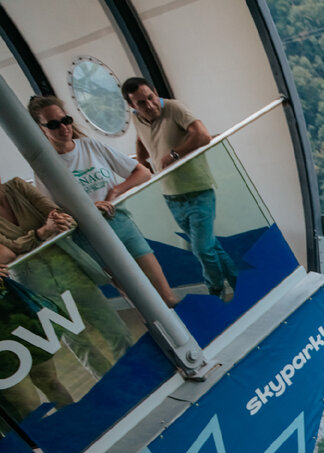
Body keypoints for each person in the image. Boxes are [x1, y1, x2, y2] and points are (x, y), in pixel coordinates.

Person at [0, 176, 134, 416]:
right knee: (80, 343)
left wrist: (50, 225)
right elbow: (7, 255)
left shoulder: (18, 186)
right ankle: (115, 398)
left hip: (69, 267)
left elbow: (57, 214)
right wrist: (42, 233)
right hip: (35, 285)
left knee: (115, 328)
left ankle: (137, 380)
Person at [27, 95, 178, 308]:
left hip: (120, 221)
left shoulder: (90, 146)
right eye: (53, 125)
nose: (63, 128)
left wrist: (115, 191)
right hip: (90, 237)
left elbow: (142, 173)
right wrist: (87, 209)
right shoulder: (45, 168)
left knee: (166, 296)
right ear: (41, 129)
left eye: (66, 120)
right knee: (143, 303)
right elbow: (52, 213)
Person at [122, 77, 238, 300]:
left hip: (198, 190)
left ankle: (215, 294)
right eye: (141, 103)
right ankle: (239, 284)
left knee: (202, 249)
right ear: (132, 107)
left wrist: (174, 154)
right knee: (210, 246)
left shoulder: (174, 108)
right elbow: (140, 137)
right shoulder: (137, 118)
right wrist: (141, 161)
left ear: (155, 92)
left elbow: (202, 135)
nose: (149, 105)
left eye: (150, 97)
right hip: (171, 196)